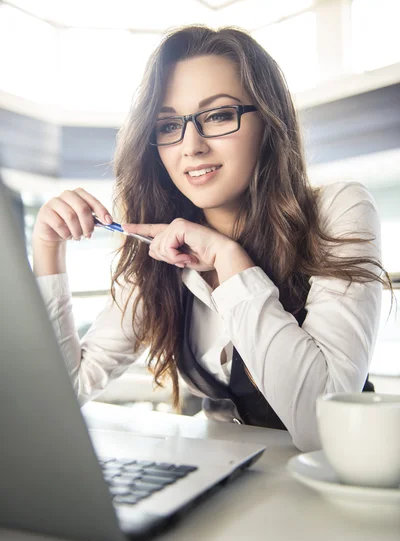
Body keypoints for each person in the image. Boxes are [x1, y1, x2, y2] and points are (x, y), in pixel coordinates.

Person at [32, 25, 388, 452]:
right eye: (168, 125)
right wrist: (48, 250)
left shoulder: (339, 209)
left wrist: (228, 258)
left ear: (269, 122)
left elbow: (322, 428)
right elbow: (62, 393)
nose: (191, 145)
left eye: (218, 115)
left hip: (336, 487)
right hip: (225, 478)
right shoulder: (157, 249)